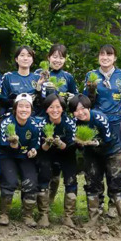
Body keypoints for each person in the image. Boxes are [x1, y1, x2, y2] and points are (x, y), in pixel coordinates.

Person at [83, 44, 121, 219]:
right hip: (94, 125)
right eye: (102, 54)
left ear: (115, 58)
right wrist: (91, 91)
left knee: (115, 170)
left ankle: (113, 205)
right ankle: (97, 209)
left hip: (116, 125)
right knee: (93, 170)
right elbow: (85, 103)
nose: (105, 57)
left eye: (109, 54)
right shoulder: (91, 75)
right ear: (98, 58)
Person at [69, 94, 121, 229]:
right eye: (76, 110)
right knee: (92, 184)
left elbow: (108, 140)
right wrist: (79, 143)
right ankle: (94, 218)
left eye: (83, 108)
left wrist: (94, 142)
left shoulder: (99, 118)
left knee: (115, 183)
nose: (80, 113)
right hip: (91, 153)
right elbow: (74, 143)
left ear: (88, 107)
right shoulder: (74, 123)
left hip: (111, 150)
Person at [0, 93, 41, 226]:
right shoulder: (7, 123)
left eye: (27, 107)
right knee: (10, 182)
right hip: (7, 156)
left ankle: (27, 214)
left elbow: (36, 143)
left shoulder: (34, 124)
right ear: (15, 108)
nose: (24, 109)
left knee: (31, 182)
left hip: (25, 156)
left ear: (31, 109)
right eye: (20, 106)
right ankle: (3, 214)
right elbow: (5, 145)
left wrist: (34, 150)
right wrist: (14, 145)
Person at [37, 93, 78, 227]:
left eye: (58, 107)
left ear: (63, 108)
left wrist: (61, 144)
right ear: (46, 109)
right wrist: (48, 143)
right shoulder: (40, 124)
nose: (55, 110)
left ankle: (68, 216)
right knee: (44, 176)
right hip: (47, 154)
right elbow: (39, 148)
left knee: (71, 180)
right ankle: (43, 214)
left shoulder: (69, 123)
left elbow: (72, 145)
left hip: (67, 153)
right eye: (51, 107)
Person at [1, 46, 42, 117]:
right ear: (16, 59)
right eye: (22, 55)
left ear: (32, 60)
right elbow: (2, 100)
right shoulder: (8, 77)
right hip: (12, 116)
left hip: (32, 117)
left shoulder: (37, 78)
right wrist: (17, 100)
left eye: (29, 56)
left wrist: (39, 87)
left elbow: (42, 101)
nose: (25, 58)